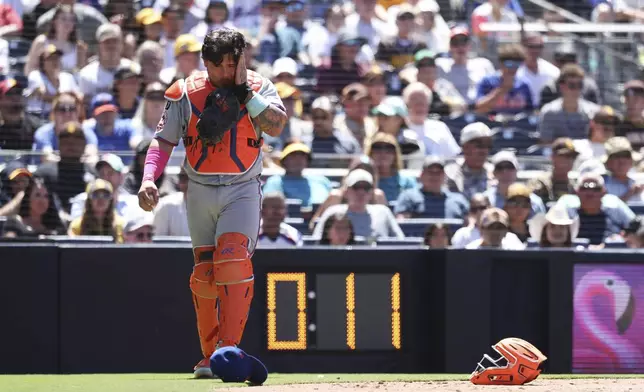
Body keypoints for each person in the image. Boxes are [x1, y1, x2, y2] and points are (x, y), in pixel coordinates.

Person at [137, 28, 286, 379]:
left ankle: (229, 350)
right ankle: (209, 357)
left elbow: (277, 126)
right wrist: (148, 179)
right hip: (199, 188)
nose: (227, 71)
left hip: (242, 187)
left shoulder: (259, 87)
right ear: (207, 63)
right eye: (220, 65)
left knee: (232, 259)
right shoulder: (184, 92)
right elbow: (163, 141)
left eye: (234, 63)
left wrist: (245, 91)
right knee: (205, 273)